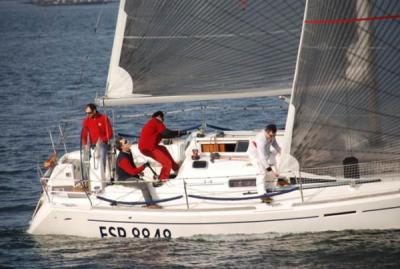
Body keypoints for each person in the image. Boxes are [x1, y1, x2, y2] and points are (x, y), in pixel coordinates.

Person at [138, 111, 187, 182]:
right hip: (150, 148)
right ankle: (162, 179)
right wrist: (178, 133)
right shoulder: (156, 121)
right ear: (160, 117)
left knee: (163, 148)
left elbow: (163, 134)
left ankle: (175, 168)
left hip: (147, 147)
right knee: (167, 163)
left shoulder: (151, 123)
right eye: (163, 118)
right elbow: (166, 133)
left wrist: (178, 134)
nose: (163, 120)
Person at [115, 136, 160, 209]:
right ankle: (150, 205)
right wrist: (143, 166)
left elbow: (132, 166)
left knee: (144, 181)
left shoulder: (128, 152)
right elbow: (132, 172)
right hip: (124, 179)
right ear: (122, 147)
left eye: (126, 140)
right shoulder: (122, 158)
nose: (128, 142)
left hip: (130, 176)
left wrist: (138, 172)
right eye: (125, 142)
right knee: (143, 184)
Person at [247, 124, 281, 203]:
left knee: (271, 165)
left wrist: (281, 152)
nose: (272, 137)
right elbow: (261, 157)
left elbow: (275, 144)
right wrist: (271, 171)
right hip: (256, 155)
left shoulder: (272, 135)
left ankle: (268, 187)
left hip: (266, 153)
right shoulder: (261, 139)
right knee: (261, 172)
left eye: (274, 135)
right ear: (266, 132)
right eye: (271, 136)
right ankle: (262, 195)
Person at [81, 103, 113, 173]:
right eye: (86, 113)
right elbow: (84, 135)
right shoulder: (86, 121)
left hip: (103, 144)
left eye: (89, 113)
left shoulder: (104, 118)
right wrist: (85, 144)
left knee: (101, 151)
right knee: (84, 158)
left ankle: (103, 173)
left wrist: (102, 140)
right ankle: (87, 177)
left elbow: (110, 134)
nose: (87, 115)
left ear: (94, 111)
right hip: (91, 145)